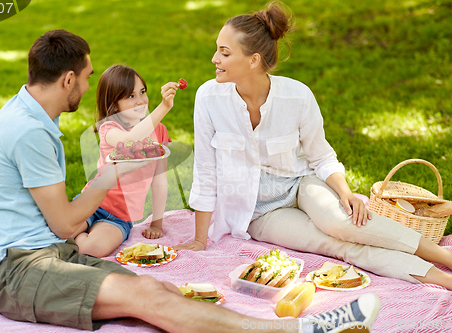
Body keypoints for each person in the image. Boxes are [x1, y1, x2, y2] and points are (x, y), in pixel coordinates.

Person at [0, 29, 381, 333]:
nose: (86, 85)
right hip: (22, 272)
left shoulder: (16, 112)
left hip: (40, 257)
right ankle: (301, 330)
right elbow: (66, 224)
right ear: (67, 79)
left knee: (153, 288)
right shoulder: (32, 132)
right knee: (150, 300)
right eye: (85, 77)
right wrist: (110, 174)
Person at [174, 0, 452, 291]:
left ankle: (445, 257)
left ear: (253, 60)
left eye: (224, 52)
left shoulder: (297, 96)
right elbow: (205, 170)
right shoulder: (209, 97)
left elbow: (321, 156)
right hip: (258, 212)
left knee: (342, 225)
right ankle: (444, 279)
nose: (214, 59)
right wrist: (199, 239)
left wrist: (346, 193)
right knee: (337, 245)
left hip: (301, 183)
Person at [73, 65, 176, 257]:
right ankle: (74, 235)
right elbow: (130, 141)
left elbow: (159, 181)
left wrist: (157, 222)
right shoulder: (109, 128)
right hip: (91, 202)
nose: (141, 101)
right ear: (114, 104)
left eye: (142, 92)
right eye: (130, 96)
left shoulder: (159, 131)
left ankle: (75, 240)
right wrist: (164, 107)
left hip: (119, 217)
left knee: (90, 249)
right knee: (60, 231)